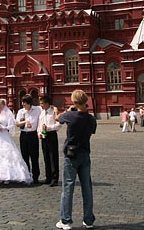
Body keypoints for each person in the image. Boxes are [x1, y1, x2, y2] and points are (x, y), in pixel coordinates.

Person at [55, 90, 97, 230]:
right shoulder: (91, 119)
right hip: (85, 154)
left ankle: (66, 221)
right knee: (87, 188)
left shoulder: (70, 115)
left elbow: (58, 118)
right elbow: (91, 131)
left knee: (68, 187)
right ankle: (89, 220)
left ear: (74, 102)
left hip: (71, 155)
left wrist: (68, 110)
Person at [15, 94, 41, 184]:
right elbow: (17, 123)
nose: (23, 104)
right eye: (22, 102)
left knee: (34, 157)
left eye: (25, 103)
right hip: (24, 135)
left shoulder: (37, 109)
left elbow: (48, 108)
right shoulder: (21, 111)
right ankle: (27, 176)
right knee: (24, 156)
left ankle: (36, 177)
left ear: (29, 103)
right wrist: (25, 122)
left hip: (33, 135)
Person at [38, 96, 60, 186]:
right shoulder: (42, 112)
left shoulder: (54, 112)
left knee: (53, 157)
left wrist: (49, 128)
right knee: (46, 156)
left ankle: (55, 178)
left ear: (47, 103)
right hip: (44, 136)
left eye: (42, 103)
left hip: (51, 135)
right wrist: (39, 133)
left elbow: (59, 125)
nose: (40, 105)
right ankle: (48, 177)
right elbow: (39, 125)